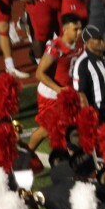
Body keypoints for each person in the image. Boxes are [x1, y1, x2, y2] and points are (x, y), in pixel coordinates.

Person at [29, 13, 84, 150]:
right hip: (52, 94)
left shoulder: (80, 43)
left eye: (80, 28)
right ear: (65, 29)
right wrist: (59, 89)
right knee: (46, 130)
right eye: (75, 29)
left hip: (69, 94)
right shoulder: (56, 46)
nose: (79, 32)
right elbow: (39, 73)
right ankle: (24, 158)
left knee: (72, 128)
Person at [72, 24, 105, 121]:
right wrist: (89, 117)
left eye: (102, 37)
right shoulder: (82, 64)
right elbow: (81, 93)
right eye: (97, 39)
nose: (102, 41)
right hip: (99, 113)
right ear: (87, 43)